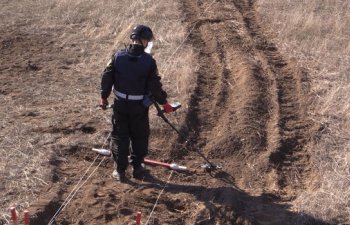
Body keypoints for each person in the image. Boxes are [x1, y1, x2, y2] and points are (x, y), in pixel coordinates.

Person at [100, 25, 174, 182]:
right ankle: (138, 168)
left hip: (120, 105)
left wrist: (104, 97)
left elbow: (107, 77)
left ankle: (120, 171)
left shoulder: (117, 56)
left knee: (120, 137)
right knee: (140, 136)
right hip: (139, 107)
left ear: (133, 39)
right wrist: (164, 103)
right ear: (145, 40)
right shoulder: (148, 61)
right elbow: (155, 87)